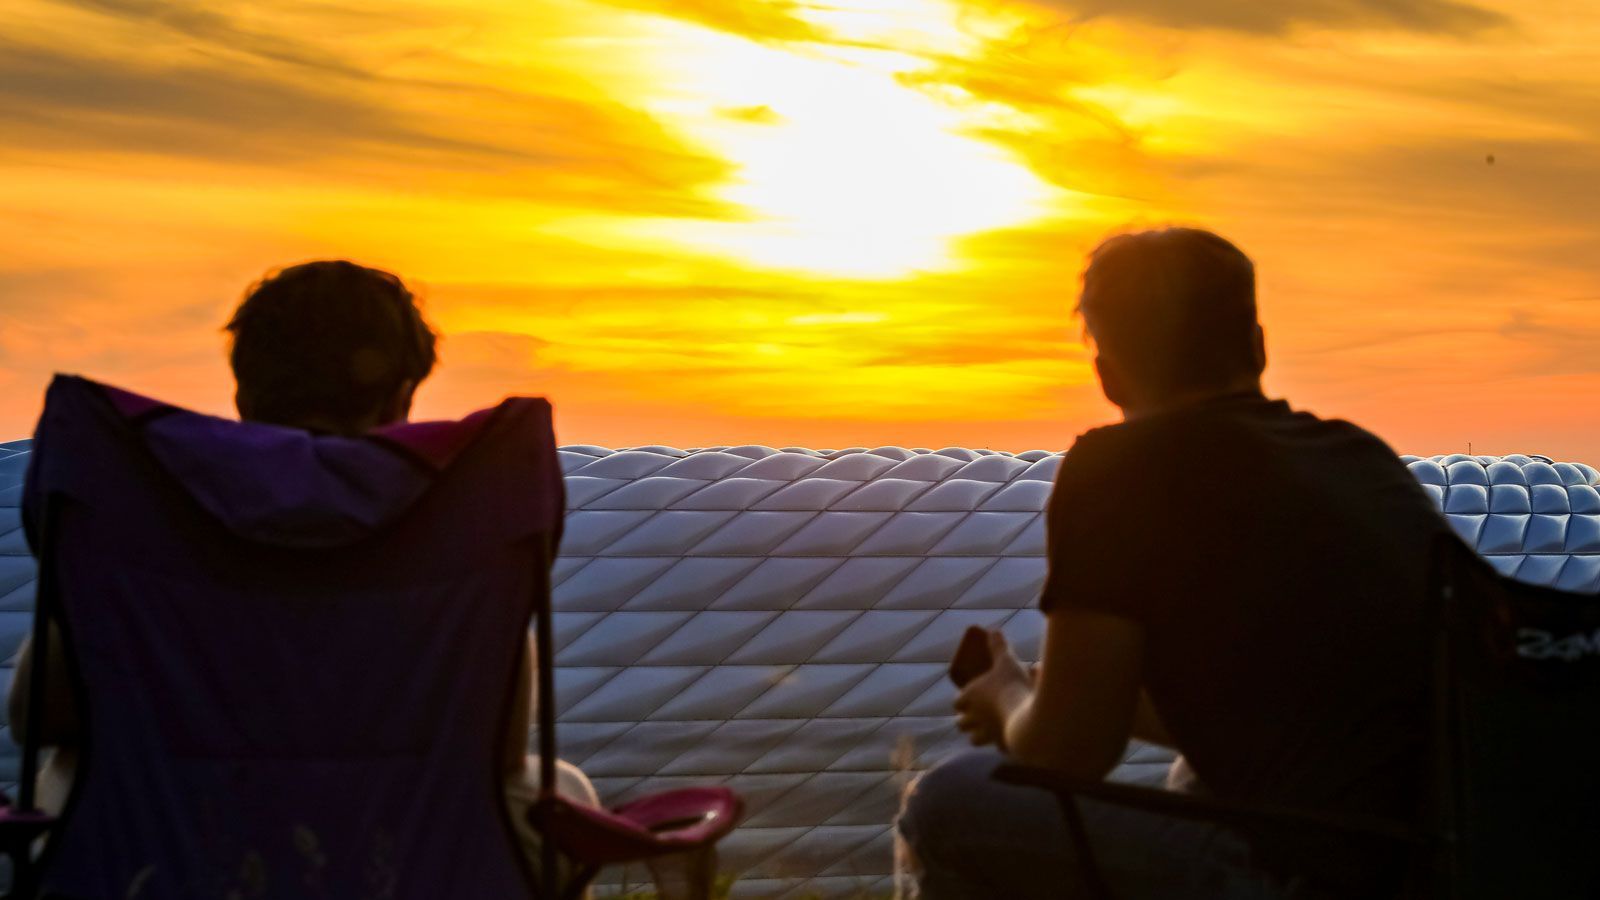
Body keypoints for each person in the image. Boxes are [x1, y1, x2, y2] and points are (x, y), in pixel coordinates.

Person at [897, 228, 1450, 899]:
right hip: (1434, 854)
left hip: (1303, 870)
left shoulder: (1119, 469)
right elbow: (1296, 713)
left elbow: (1067, 754)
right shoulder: (1357, 458)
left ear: (1108, 375)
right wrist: (1075, 691)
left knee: (947, 802)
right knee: (1191, 774)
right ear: (1258, 346)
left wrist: (1008, 696)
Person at [8, 259, 597, 878]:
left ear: (245, 389)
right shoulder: (461, 512)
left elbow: (37, 716)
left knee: (76, 764)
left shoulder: (143, 504)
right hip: (410, 868)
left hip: (167, 863)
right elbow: (498, 746)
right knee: (563, 786)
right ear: (402, 394)